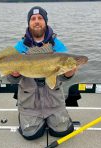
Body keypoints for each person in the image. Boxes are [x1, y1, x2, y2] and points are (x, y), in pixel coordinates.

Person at [7, 6, 77, 140]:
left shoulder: (58, 46)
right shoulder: (19, 47)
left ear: (46, 21)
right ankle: (25, 116)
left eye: (40, 18)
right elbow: (11, 79)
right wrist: (13, 75)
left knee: (62, 132)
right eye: (33, 19)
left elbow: (64, 76)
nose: (37, 21)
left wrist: (68, 74)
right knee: (31, 135)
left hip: (54, 102)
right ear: (29, 23)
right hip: (29, 103)